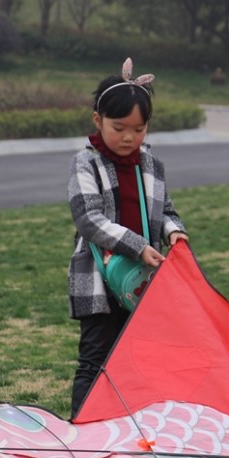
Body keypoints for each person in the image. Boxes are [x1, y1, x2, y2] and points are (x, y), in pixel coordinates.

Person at [67, 58, 189, 417]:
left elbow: (164, 209)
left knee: (140, 360)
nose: (128, 137)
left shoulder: (150, 163)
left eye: (138, 129)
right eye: (119, 127)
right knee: (95, 359)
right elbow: (88, 218)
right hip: (98, 280)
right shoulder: (85, 163)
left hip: (143, 283)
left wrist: (175, 232)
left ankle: (134, 428)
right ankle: (83, 431)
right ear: (97, 120)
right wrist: (138, 246)